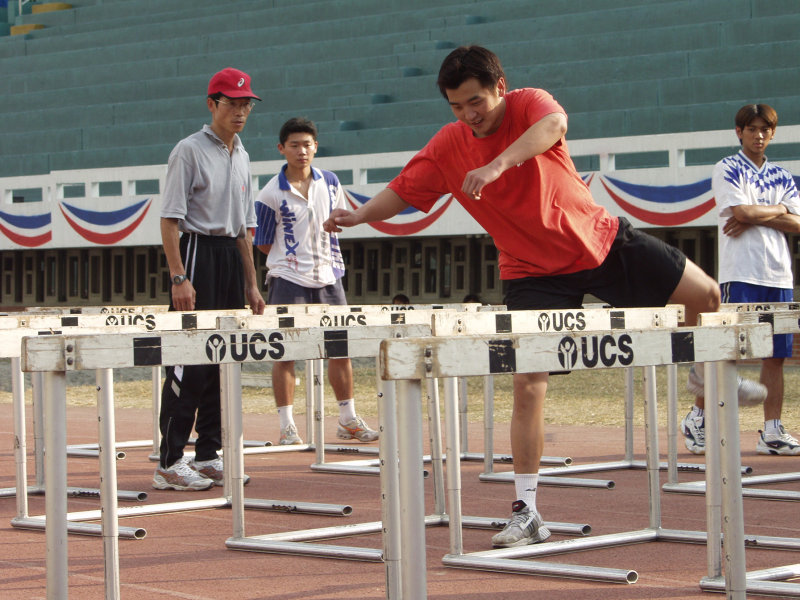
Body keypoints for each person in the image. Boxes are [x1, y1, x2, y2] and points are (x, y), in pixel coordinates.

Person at [323, 45, 722, 548]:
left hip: (596, 241)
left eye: (476, 103)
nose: (469, 116)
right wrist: (360, 216)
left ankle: (700, 403)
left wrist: (496, 166)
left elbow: (554, 126)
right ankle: (527, 510)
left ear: (501, 88)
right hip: (532, 272)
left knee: (707, 297)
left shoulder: (531, 104)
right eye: (457, 108)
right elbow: (405, 190)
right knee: (529, 383)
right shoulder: (450, 144)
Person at [153, 67, 266, 491]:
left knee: (223, 360)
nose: (240, 111)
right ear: (212, 104)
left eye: (246, 104)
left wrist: (252, 284)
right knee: (189, 362)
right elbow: (169, 221)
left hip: (231, 260)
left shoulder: (243, 155)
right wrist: (179, 276)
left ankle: (208, 454)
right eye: (232, 103)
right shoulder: (189, 150)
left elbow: (244, 229)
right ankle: (169, 461)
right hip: (196, 252)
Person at [681, 104, 800, 456]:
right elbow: (741, 212)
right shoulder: (728, 168)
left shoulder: (783, 176)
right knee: (723, 351)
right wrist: (779, 210)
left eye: (765, 129)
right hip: (740, 272)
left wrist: (763, 214)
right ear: (739, 132)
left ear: (773, 134)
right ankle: (698, 417)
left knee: (776, 356)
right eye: (752, 129)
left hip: (778, 275)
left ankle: (772, 431)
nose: (759, 135)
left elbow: (798, 223)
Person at [254, 117, 378, 446]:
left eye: (307, 144)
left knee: (340, 350)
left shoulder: (332, 182)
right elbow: (263, 242)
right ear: (281, 149)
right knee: (286, 353)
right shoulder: (269, 194)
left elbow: (340, 219)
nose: (302, 151)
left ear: (316, 147)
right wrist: (290, 258)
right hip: (288, 279)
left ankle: (348, 419)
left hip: (329, 276)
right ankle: (286, 426)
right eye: (294, 145)